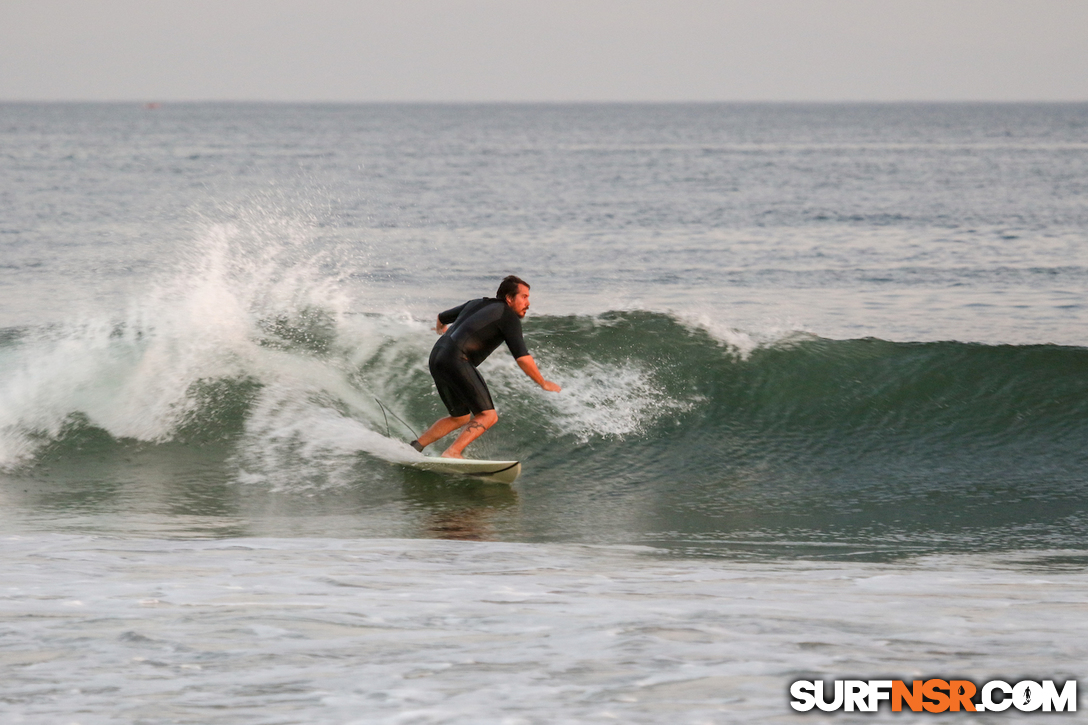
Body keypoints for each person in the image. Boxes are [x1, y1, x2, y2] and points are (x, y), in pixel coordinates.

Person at [411, 275, 561, 458]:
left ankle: (416, 447)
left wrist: (441, 331)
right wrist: (543, 383)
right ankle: (453, 452)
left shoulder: (476, 303)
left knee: (460, 417)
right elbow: (522, 358)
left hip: (437, 355)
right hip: (456, 358)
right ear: (509, 298)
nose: (528, 303)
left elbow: (441, 317)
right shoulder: (508, 316)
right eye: (524, 297)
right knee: (488, 416)